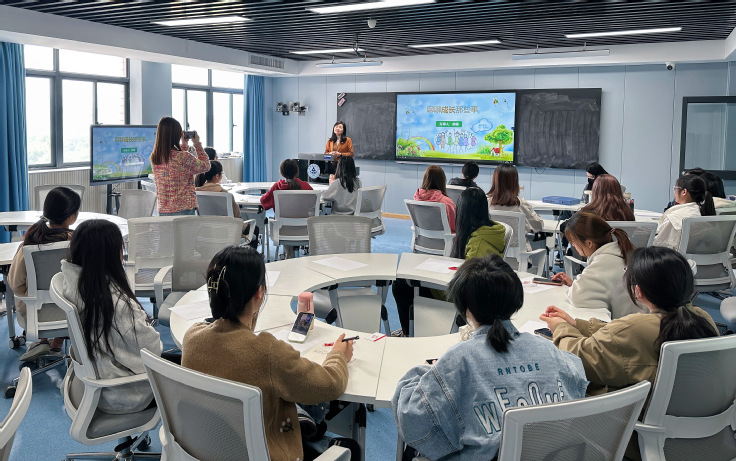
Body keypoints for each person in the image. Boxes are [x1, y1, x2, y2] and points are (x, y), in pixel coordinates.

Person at [393, 255, 588, 461]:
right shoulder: (547, 349)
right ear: (516, 302)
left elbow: (411, 420)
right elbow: (578, 377)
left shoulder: (458, 360)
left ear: (466, 309)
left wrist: (426, 371)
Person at [540, 246, 718, 458]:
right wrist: (576, 323)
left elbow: (578, 358)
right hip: (700, 435)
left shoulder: (633, 329)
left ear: (638, 291)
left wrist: (561, 328)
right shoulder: (703, 318)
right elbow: (622, 335)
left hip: (636, 437)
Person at [182, 246, 353, 461]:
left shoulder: (192, 338)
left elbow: (235, 339)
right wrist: (338, 355)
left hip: (211, 448)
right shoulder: (268, 353)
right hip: (263, 452)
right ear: (259, 292)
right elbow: (331, 384)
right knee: (350, 447)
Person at [58, 219, 162, 414]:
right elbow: (152, 349)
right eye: (121, 247)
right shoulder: (113, 302)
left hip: (98, 379)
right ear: (110, 254)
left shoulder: (74, 281)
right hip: (123, 392)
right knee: (193, 369)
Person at [392, 187, 508, 336]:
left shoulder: (478, 243)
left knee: (401, 285)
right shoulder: (489, 231)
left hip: (459, 296)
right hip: (463, 287)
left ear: (462, 212)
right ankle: (411, 330)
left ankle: (408, 333)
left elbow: (469, 284)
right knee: (405, 282)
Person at [8, 186, 81, 362]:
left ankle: (43, 341)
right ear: (72, 216)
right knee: (70, 294)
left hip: (37, 313)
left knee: (36, 297)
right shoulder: (79, 243)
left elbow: (15, 283)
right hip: (74, 312)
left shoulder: (30, 244)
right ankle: (56, 344)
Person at [551, 212, 646, 319]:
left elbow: (577, 297)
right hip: (645, 320)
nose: (572, 245)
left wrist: (576, 287)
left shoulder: (602, 264)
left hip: (630, 325)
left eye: (573, 241)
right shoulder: (621, 250)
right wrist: (575, 284)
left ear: (589, 243)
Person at [150, 116, 210, 216]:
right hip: (184, 210)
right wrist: (197, 144)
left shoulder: (156, 158)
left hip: (163, 211)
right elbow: (205, 166)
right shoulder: (183, 157)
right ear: (176, 135)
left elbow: (178, 165)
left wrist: (184, 145)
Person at [196, 161, 259, 248]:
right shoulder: (225, 194)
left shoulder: (197, 192)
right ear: (217, 176)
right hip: (227, 231)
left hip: (206, 231)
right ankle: (248, 256)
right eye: (222, 173)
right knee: (255, 229)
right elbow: (236, 216)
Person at [487, 163, 543, 248]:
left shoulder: (485, 203)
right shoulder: (521, 204)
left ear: (495, 181)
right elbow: (538, 225)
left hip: (492, 254)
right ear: (515, 182)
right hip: (518, 255)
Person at [654, 174, 716, 250]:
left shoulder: (675, 217)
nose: (674, 191)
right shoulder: (703, 212)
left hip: (675, 256)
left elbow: (659, 244)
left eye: (675, 188)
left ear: (684, 192)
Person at [414, 165, 456, 233]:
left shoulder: (416, 199)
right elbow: (454, 227)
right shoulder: (446, 202)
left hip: (422, 237)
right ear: (442, 181)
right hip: (444, 239)